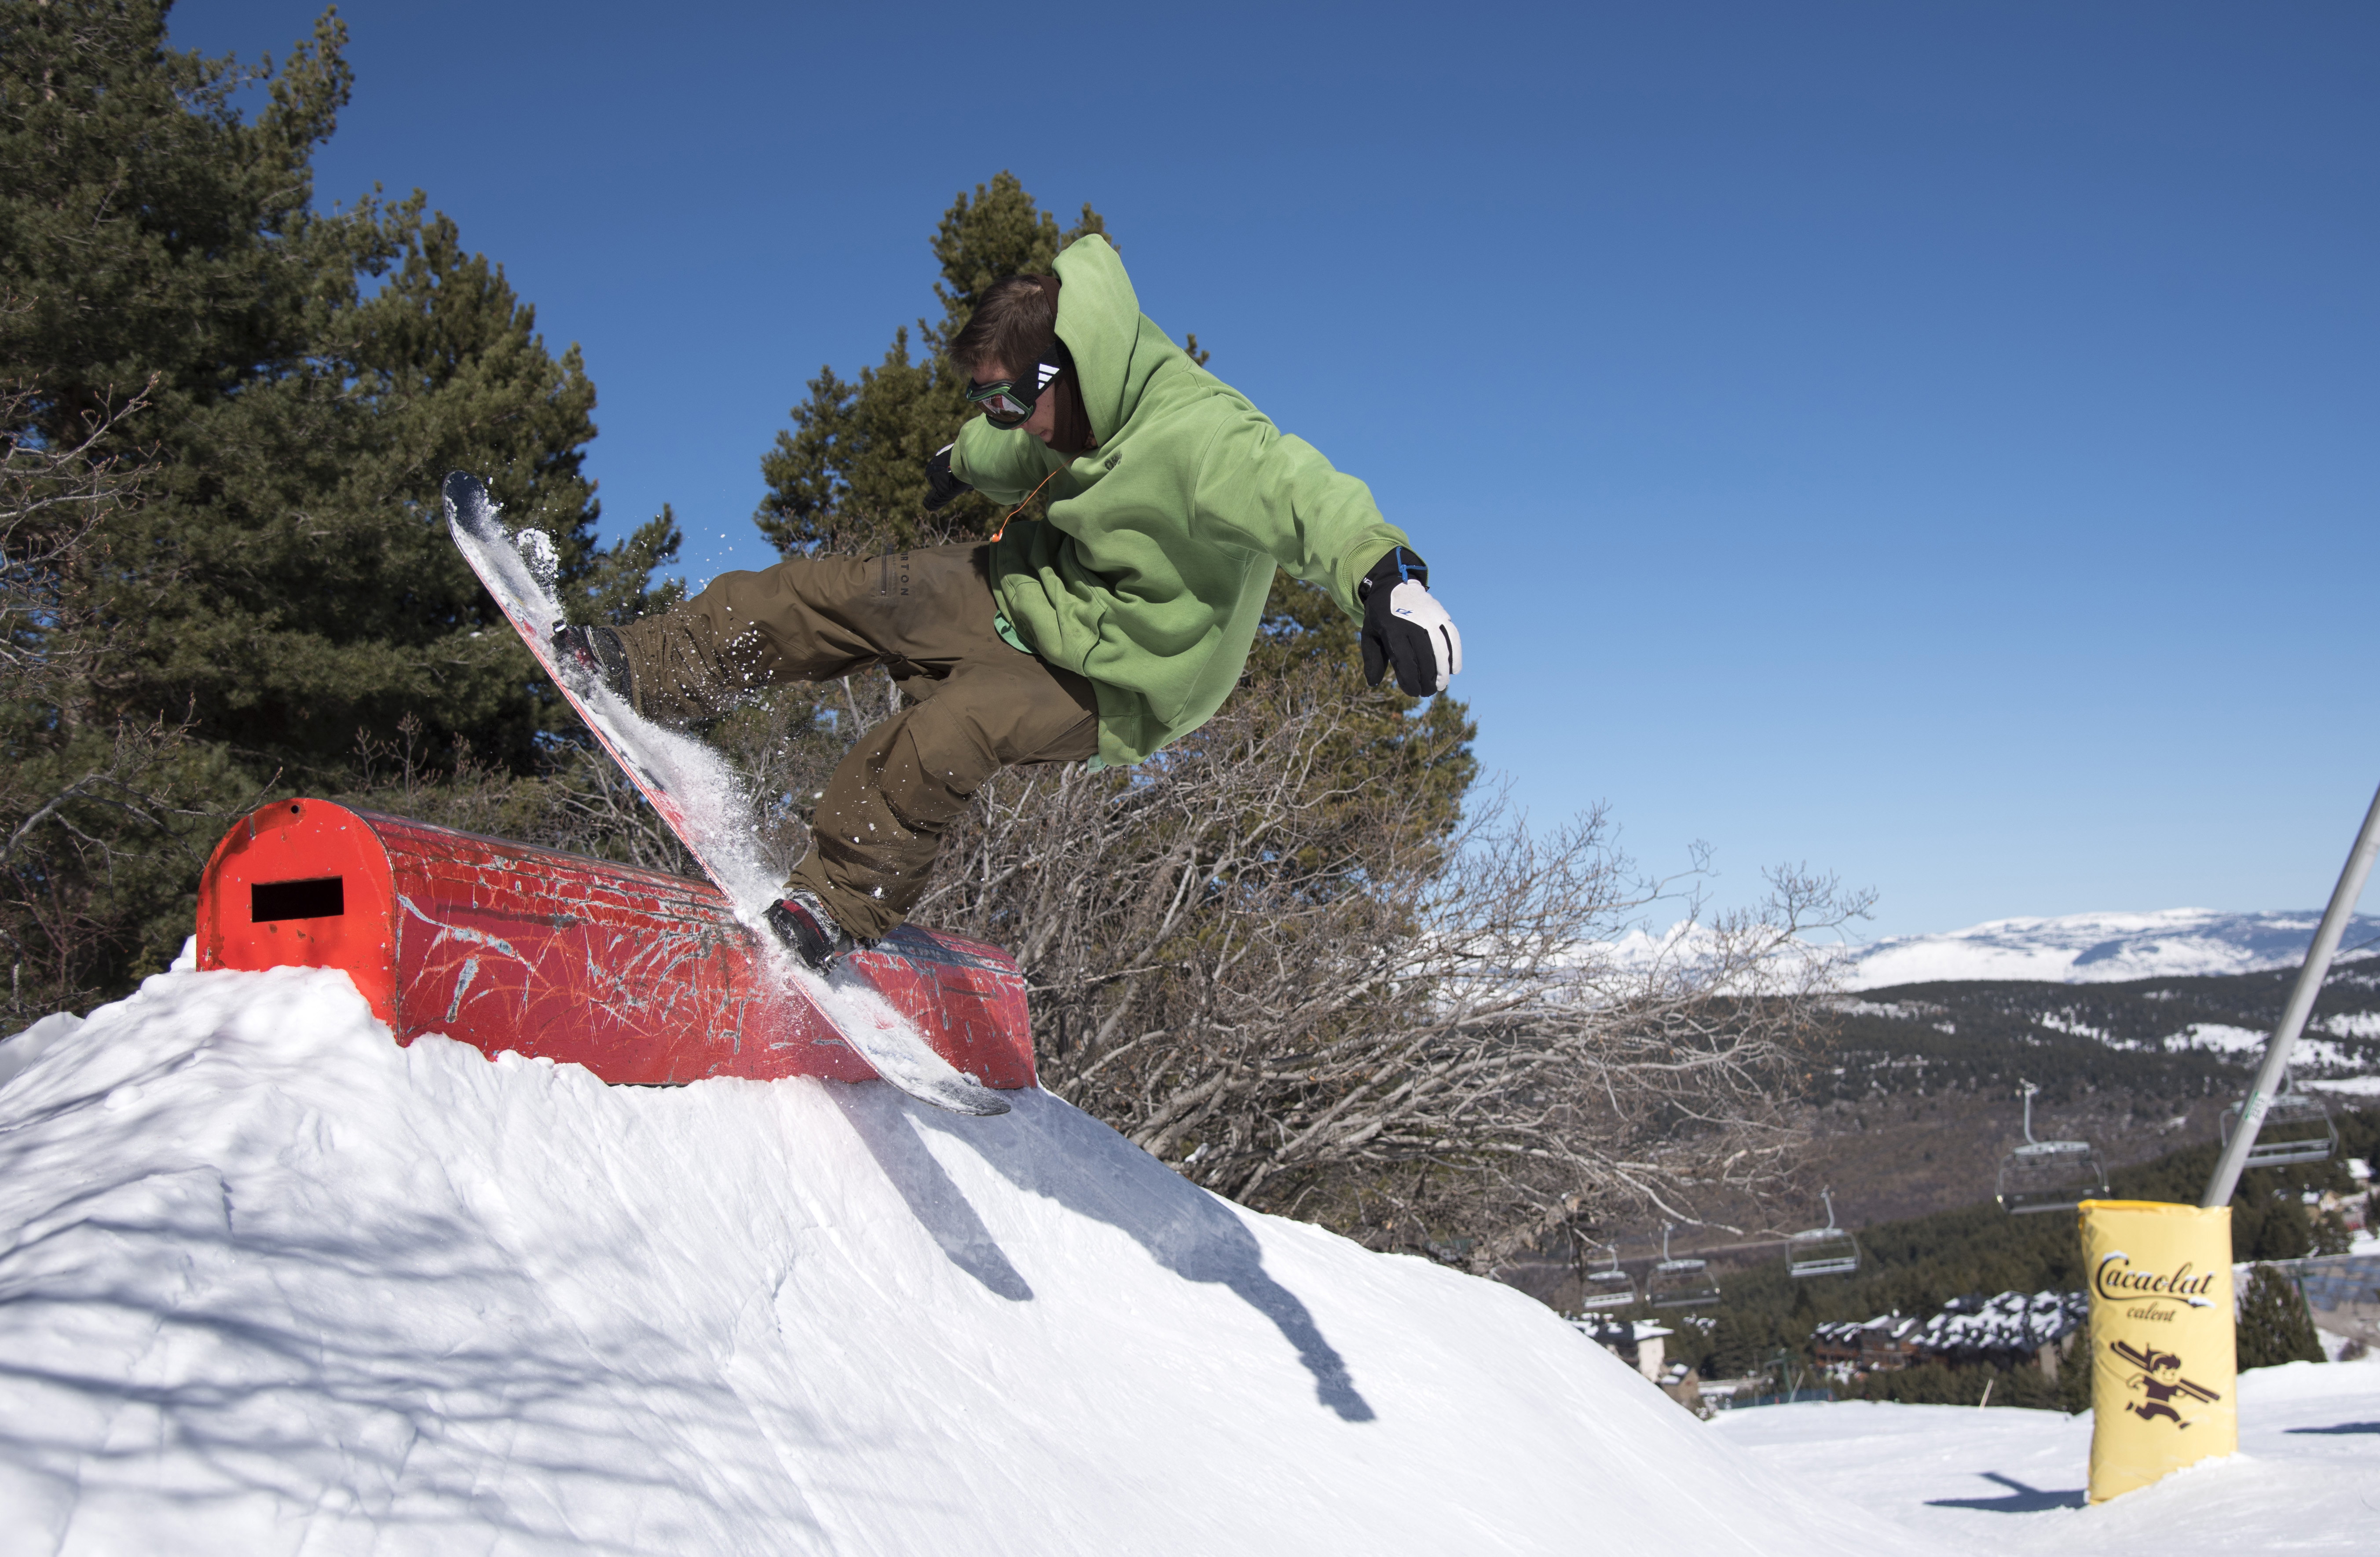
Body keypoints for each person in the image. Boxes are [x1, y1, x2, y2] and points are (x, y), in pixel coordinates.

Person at [554, 235, 1461, 972]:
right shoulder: (1055, 406)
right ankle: (657, 668)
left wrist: (1386, 581)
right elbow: (1005, 451)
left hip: (1125, 677)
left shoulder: (1204, 440)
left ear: (1062, 372)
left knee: (948, 733)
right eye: (982, 401)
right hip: (1030, 591)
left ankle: (835, 905)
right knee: (845, 590)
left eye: (1007, 400)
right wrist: (961, 457)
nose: (1004, 420)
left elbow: (1305, 495)